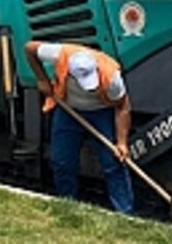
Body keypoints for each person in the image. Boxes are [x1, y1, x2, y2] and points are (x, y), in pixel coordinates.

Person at [24, 41, 134, 214]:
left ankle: (125, 212)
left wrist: (122, 143)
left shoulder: (112, 77)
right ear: (70, 72)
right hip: (69, 111)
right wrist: (42, 79)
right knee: (62, 161)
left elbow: (123, 108)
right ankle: (68, 205)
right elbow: (29, 48)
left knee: (113, 162)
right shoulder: (59, 54)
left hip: (101, 112)